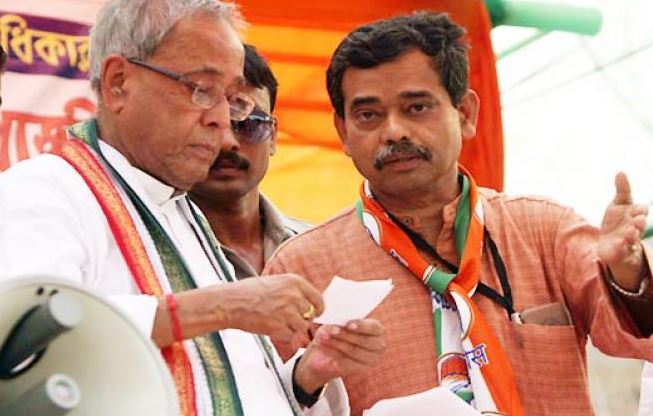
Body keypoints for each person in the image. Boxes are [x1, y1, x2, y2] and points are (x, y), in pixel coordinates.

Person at [0, 1, 385, 415]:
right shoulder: (44, 191)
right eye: (201, 89)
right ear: (118, 84)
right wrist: (222, 307)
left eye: (232, 100)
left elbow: (221, 388)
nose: (222, 120)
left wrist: (305, 378)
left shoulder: (182, 213)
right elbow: (23, 345)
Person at [264, 11, 653, 416]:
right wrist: (307, 378)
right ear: (343, 132)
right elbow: (266, 401)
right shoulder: (300, 269)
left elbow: (639, 339)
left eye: (416, 107)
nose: (394, 131)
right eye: (368, 115)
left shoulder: (543, 230)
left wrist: (630, 276)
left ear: (465, 114)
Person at [190, 44, 309, 279]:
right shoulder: (146, 252)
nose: (227, 143)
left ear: (272, 136)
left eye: (250, 123)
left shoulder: (320, 249)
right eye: (210, 123)